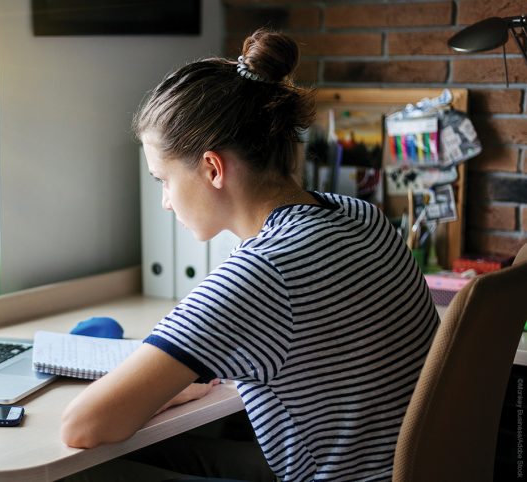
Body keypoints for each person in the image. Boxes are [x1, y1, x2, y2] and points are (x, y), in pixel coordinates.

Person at [60, 29, 439, 482]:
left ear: (212, 168)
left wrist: (170, 387)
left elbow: (83, 425)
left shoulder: (261, 273)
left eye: (163, 179)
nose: (164, 200)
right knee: (172, 452)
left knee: (85, 474)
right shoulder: (362, 215)